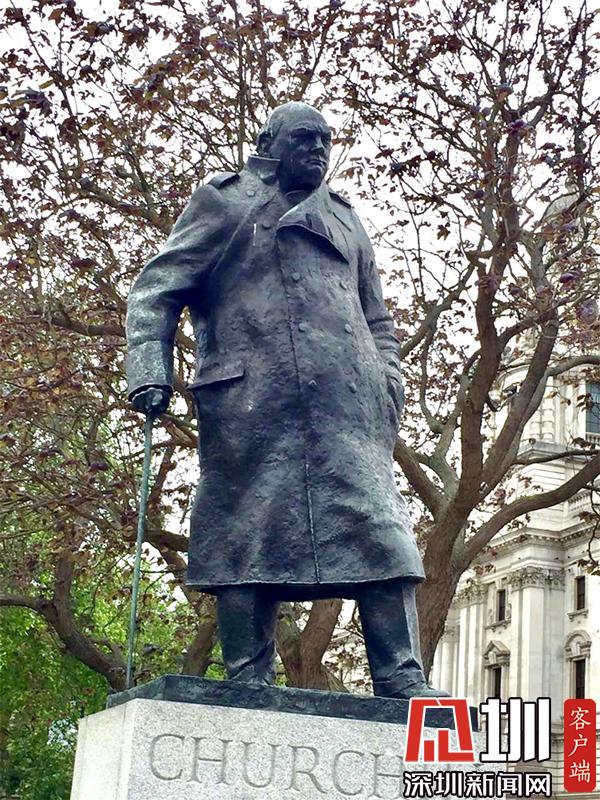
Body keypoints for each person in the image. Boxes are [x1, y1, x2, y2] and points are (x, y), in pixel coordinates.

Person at [126, 101, 446, 698]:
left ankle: (401, 675)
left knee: (381, 533)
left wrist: (388, 384)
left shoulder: (346, 219)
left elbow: (377, 317)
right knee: (245, 531)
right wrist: (149, 366)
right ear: (270, 142)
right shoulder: (225, 202)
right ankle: (247, 675)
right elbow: (156, 290)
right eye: (304, 139)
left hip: (349, 410)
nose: (318, 150)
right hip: (251, 404)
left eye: (325, 140)